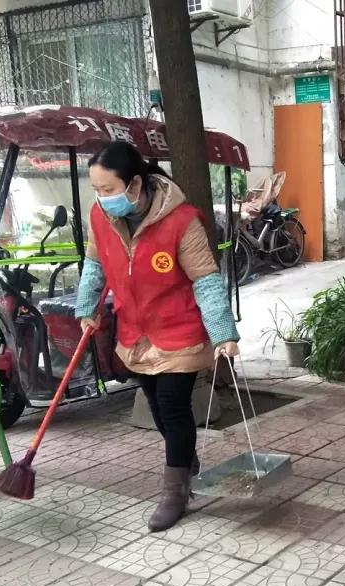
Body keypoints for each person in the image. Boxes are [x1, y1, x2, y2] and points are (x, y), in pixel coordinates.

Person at [74, 141, 240, 532]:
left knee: (173, 406)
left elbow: (206, 280)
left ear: (135, 184)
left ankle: (174, 493)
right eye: (96, 190)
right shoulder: (101, 218)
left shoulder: (182, 221)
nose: (102, 198)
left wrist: (222, 333)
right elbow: (94, 265)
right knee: (158, 410)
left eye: (108, 190)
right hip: (135, 331)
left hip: (178, 330)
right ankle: (185, 463)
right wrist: (87, 308)